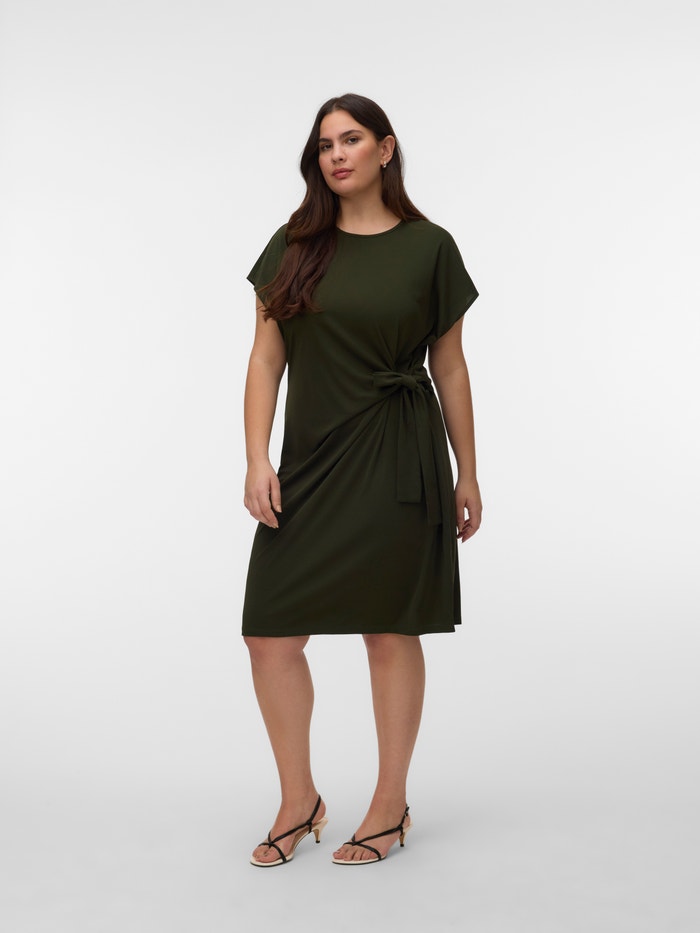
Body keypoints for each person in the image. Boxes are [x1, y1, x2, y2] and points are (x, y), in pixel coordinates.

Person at [241, 93, 482, 866]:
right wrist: (256, 457)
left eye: (350, 139)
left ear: (385, 148)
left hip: (397, 454)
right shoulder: (294, 245)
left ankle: (389, 803)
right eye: (324, 145)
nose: (336, 154)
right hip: (312, 462)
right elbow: (265, 359)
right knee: (269, 634)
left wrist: (468, 470)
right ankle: (298, 798)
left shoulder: (429, 247)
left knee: (389, 626)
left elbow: (450, 365)